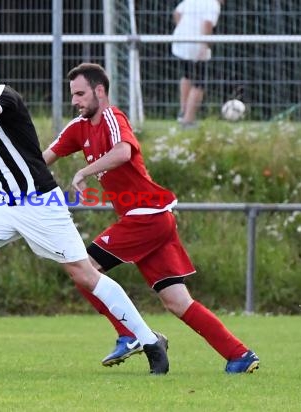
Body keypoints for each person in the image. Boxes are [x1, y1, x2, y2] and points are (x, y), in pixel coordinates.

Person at [0, 50, 169, 374]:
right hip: (8, 203)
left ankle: (150, 340)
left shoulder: (3, 97)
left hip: (39, 202)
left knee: (84, 274)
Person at [43, 62, 260, 374]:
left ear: (99, 91)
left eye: (80, 94)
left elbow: (123, 153)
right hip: (152, 221)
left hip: (147, 215)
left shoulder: (112, 117)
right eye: (72, 95)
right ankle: (239, 355)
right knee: (176, 301)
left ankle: (129, 334)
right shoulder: (78, 128)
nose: (74, 101)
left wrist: (83, 170)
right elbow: (41, 160)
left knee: (82, 268)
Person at [172, 0, 224, 128]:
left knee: (187, 76)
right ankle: (188, 120)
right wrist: (204, 44)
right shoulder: (213, 5)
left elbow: (177, 13)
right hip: (197, 44)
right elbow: (207, 24)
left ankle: (183, 113)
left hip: (180, 41)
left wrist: (184, 29)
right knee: (200, 83)